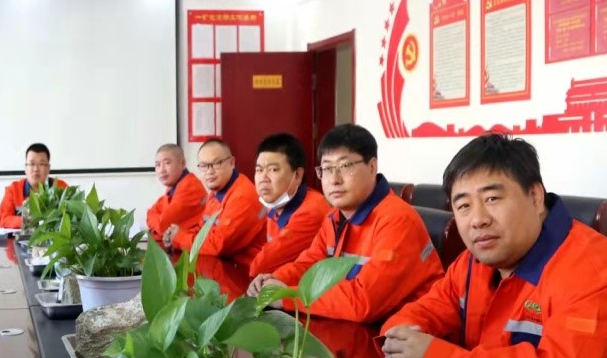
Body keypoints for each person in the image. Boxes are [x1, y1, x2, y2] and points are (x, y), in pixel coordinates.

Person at [381, 134, 607, 358]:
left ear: (535, 197)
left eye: (492, 199)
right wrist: (400, 340)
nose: (478, 220)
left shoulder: (597, 273)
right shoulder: (473, 262)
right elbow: (422, 313)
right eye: (463, 206)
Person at [248, 123, 442, 323]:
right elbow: (311, 263)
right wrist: (275, 280)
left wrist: (288, 296)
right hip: (353, 324)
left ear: (372, 167)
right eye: (327, 168)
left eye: (345, 166)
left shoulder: (397, 220)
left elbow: (364, 301)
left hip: (405, 331)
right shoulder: (335, 216)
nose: (334, 179)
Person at [164, 138, 266, 264]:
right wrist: (178, 233)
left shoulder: (242, 197)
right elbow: (203, 230)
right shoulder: (217, 191)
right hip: (225, 263)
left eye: (217, 163)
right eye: (204, 166)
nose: (210, 171)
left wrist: (179, 238)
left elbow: (218, 246)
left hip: (248, 269)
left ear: (232, 163)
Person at [247, 133, 331, 277]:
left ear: (297, 175)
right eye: (259, 170)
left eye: (273, 170)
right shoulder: (275, 205)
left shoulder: (311, 211)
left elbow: (261, 266)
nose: (263, 178)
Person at [0, 143, 68, 229]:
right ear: (25, 168)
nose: (36, 169)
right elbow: (2, 218)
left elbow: (72, 217)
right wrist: (27, 221)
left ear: (48, 168)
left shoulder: (61, 187)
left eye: (41, 164)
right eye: (32, 164)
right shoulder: (14, 189)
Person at [145, 143, 206, 244]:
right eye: (158, 165)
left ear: (183, 163)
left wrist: (157, 223)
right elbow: (150, 213)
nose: (161, 170)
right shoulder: (173, 186)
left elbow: (162, 226)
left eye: (167, 163)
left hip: (194, 248)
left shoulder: (190, 187)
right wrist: (158, 223)